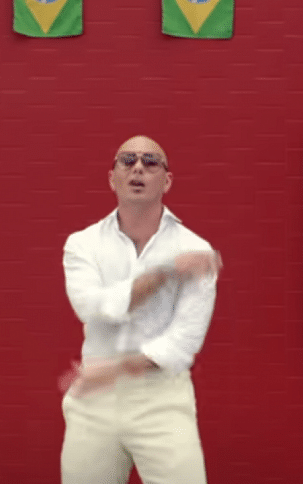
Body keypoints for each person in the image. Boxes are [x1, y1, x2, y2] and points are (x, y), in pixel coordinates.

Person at [59, 135, 222, 484]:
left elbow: (183, 342)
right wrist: (166, 273)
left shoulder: (195, 248)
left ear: (167, 180)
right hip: (94, 402)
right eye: (127, 160)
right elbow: (92, 307)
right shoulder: (82, 244)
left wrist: (116, 369)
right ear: (112, 177)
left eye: (150, 162)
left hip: (162, 399)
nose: (138, 168)